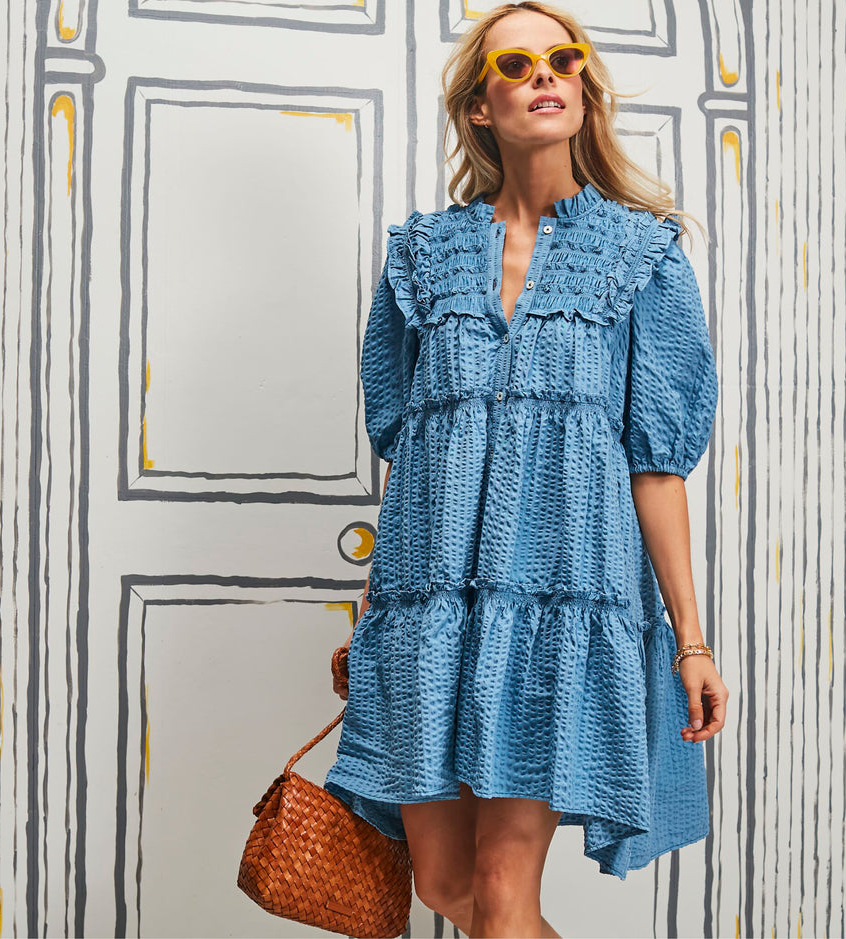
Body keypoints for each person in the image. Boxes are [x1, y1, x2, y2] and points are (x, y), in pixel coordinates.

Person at [323, 3, 729, 936]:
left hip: (560, 606)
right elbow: (409, 447)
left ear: (584, 90)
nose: (545, 74)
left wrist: (691, 640)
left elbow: (657, 464)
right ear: (480, 105)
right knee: (445, 888)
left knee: (506, 895)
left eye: (564, 58)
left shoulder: (642, 254)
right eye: (516, 63)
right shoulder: (421, 256)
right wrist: (380, 607)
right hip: (429, 611)